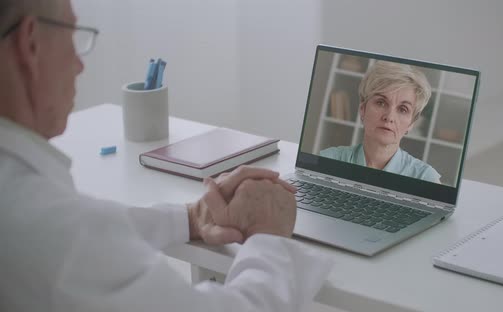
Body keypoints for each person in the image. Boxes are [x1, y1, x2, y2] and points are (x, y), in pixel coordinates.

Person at [0, 0, 332, 311]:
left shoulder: (26, 207)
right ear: (30, 44)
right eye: (73, 37)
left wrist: (190, 218)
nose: (79, 65)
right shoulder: (46, 229)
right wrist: (269, 239)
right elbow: (70, 239)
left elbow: (85, 230)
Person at [320, 60, 441, 183]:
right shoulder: (328, 160)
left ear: (411, 124)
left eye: (402, 109)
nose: (389, 117)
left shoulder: (425, 178)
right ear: (363, 109)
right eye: (381, 103)